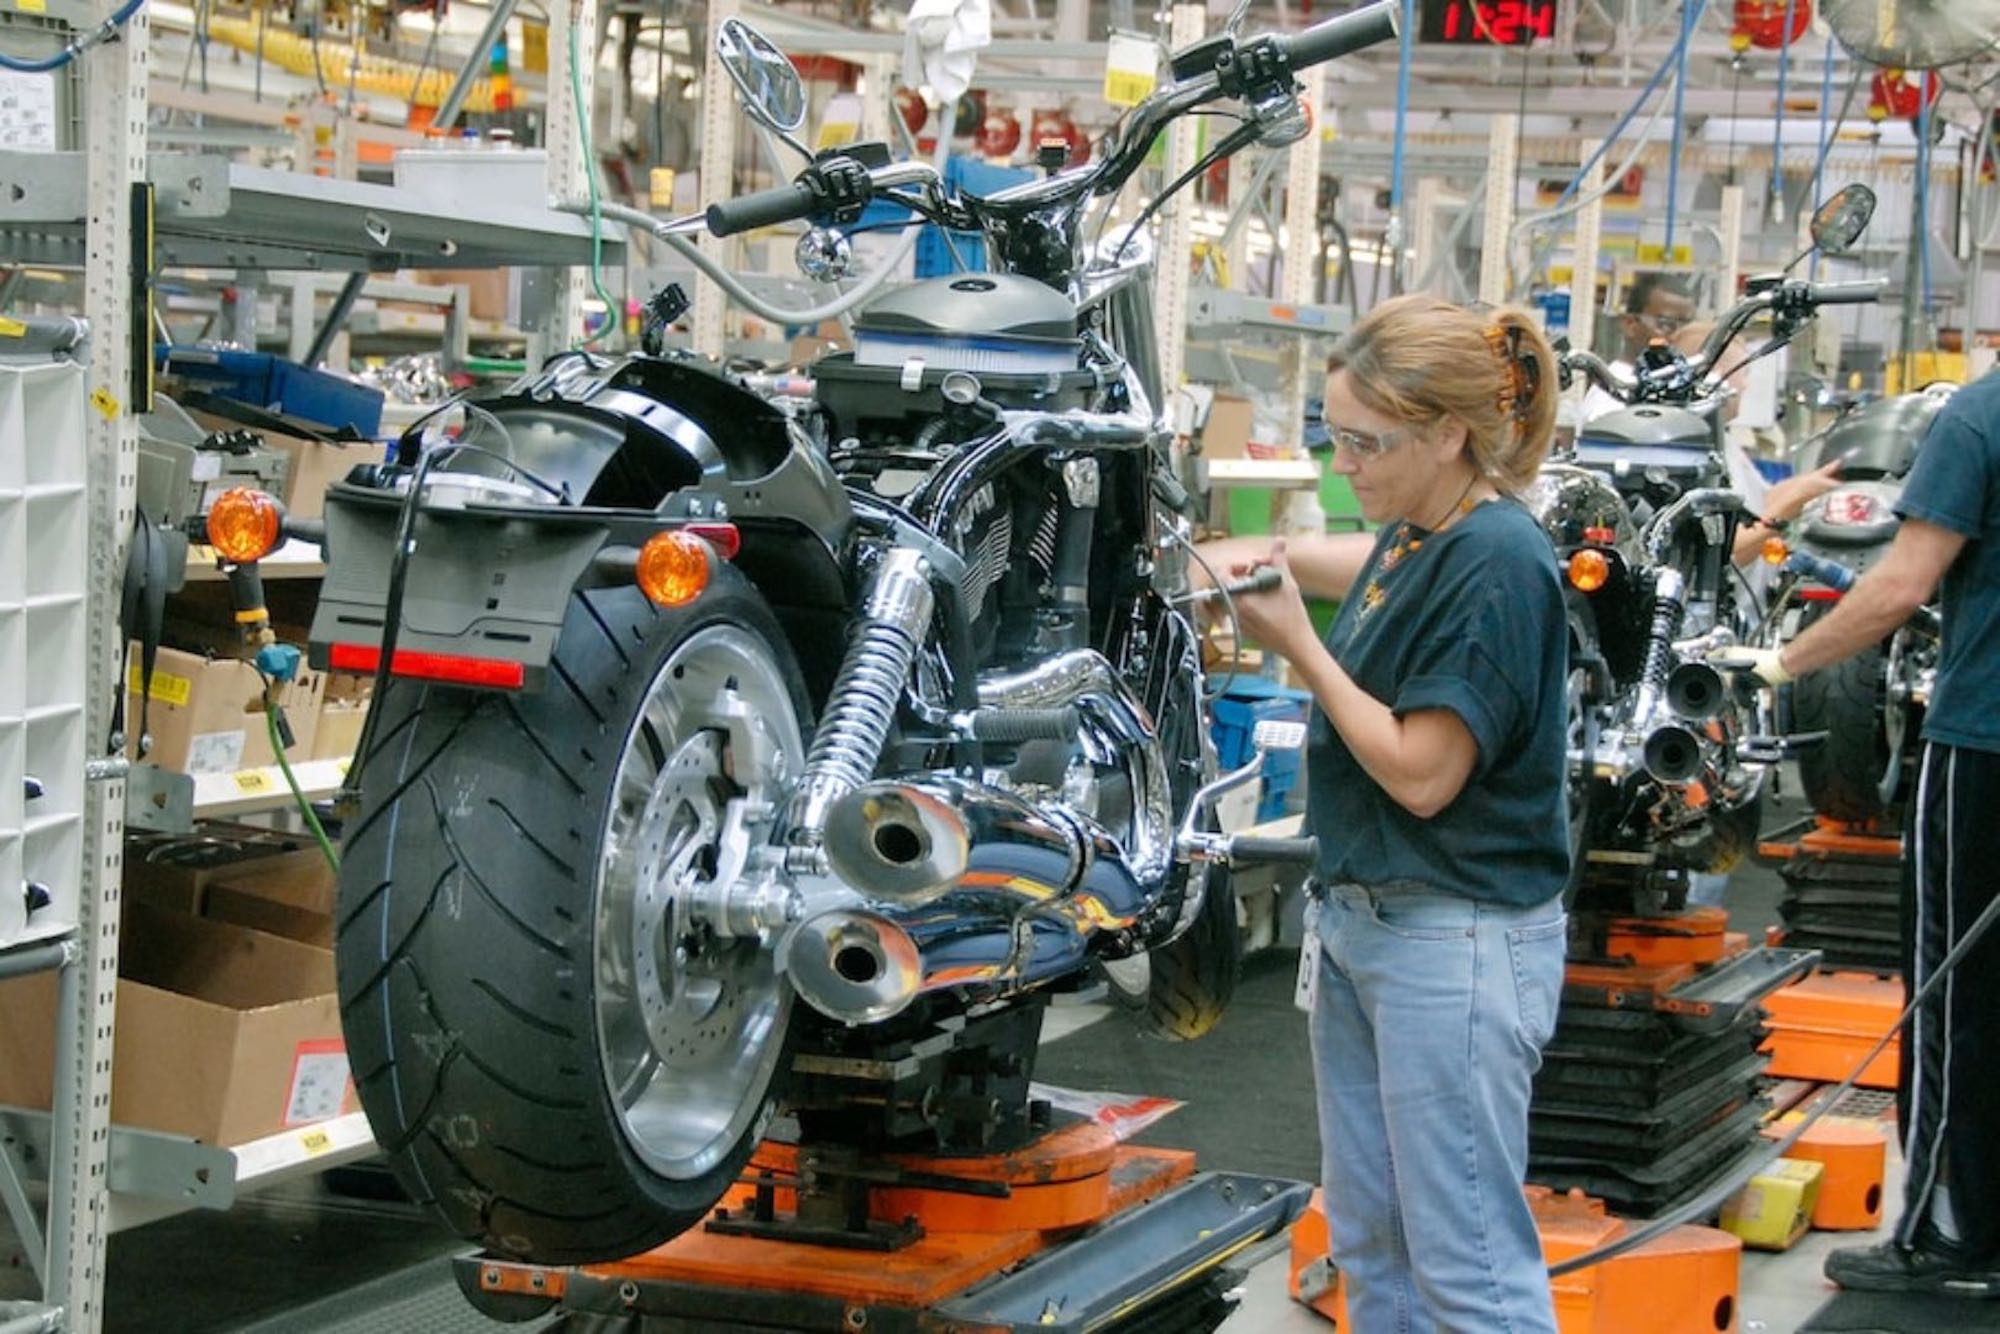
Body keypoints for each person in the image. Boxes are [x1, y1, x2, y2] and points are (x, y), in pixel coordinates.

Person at [1204, 296, 1569, 1332]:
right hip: (1366, 924)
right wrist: (1242, 558)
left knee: (1465, 1261)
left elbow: (1421, 773)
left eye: (1366, 442)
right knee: (1371, 1240)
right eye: (1333, 437)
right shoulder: (1418, 530)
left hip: (1451, 936)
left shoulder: (1497, 563)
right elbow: (1354, 568)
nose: (1345, 463)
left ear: (1449, 432)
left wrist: (1299, 649)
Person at [1731, 369, 2000, 1297]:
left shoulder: (1980, 416)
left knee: (1955, 990)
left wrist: (1777, 663)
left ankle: (1947, 1235)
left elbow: (1901, 586)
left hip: (1986, 746)